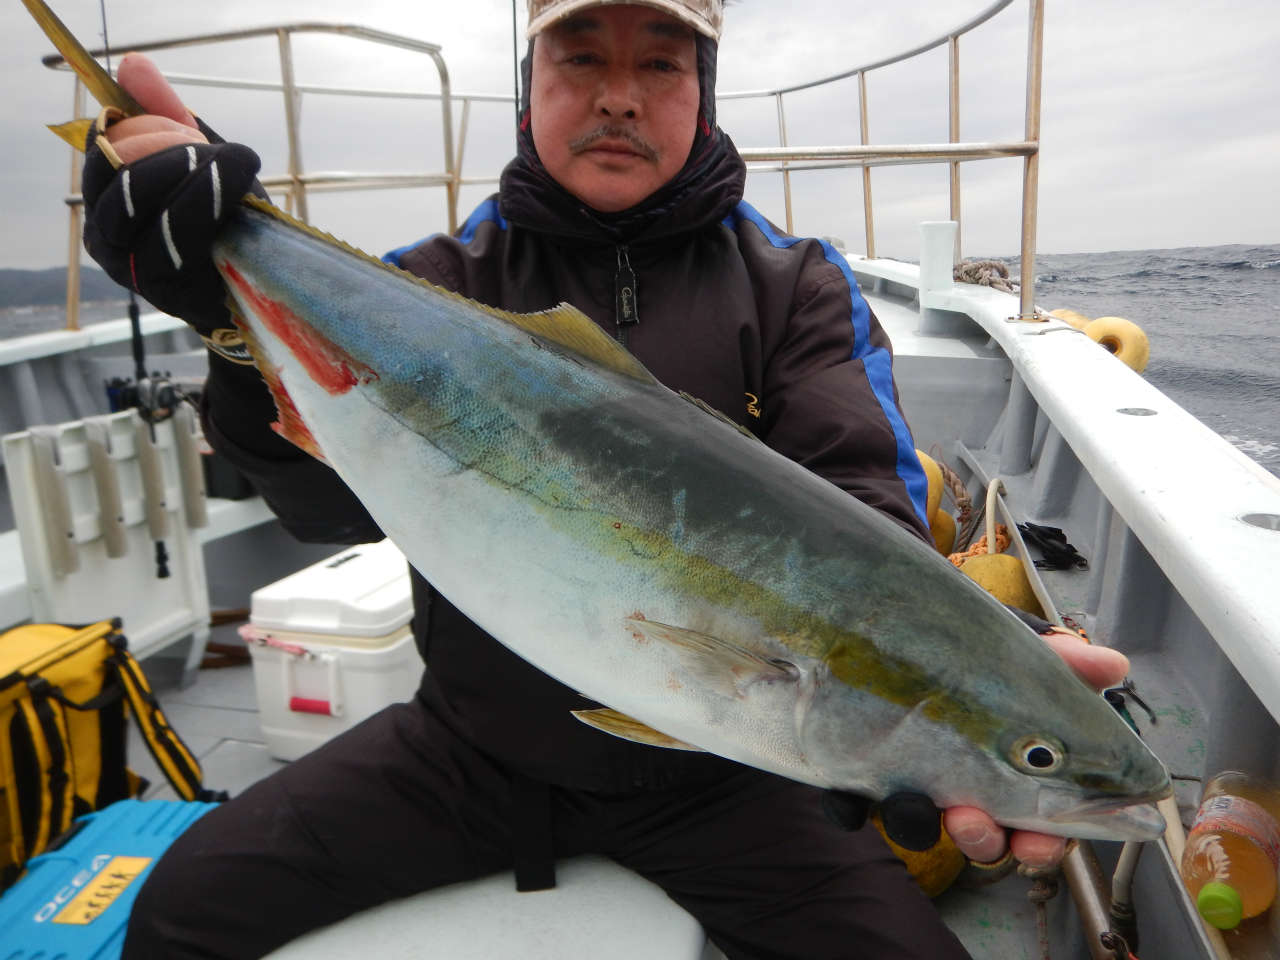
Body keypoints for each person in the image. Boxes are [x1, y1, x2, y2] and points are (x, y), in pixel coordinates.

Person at [82, 2, 1129, 957]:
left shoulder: (794, 288)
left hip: (727, 777)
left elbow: (863, 520)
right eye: (579, 59)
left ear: (700, 94)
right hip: (468, 749)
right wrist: (221, 317)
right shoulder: (433, 289)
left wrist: (987, 667)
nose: (617, 94)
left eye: (660, 65)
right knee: (182, 913)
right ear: (529, 87)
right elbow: (314, 509)